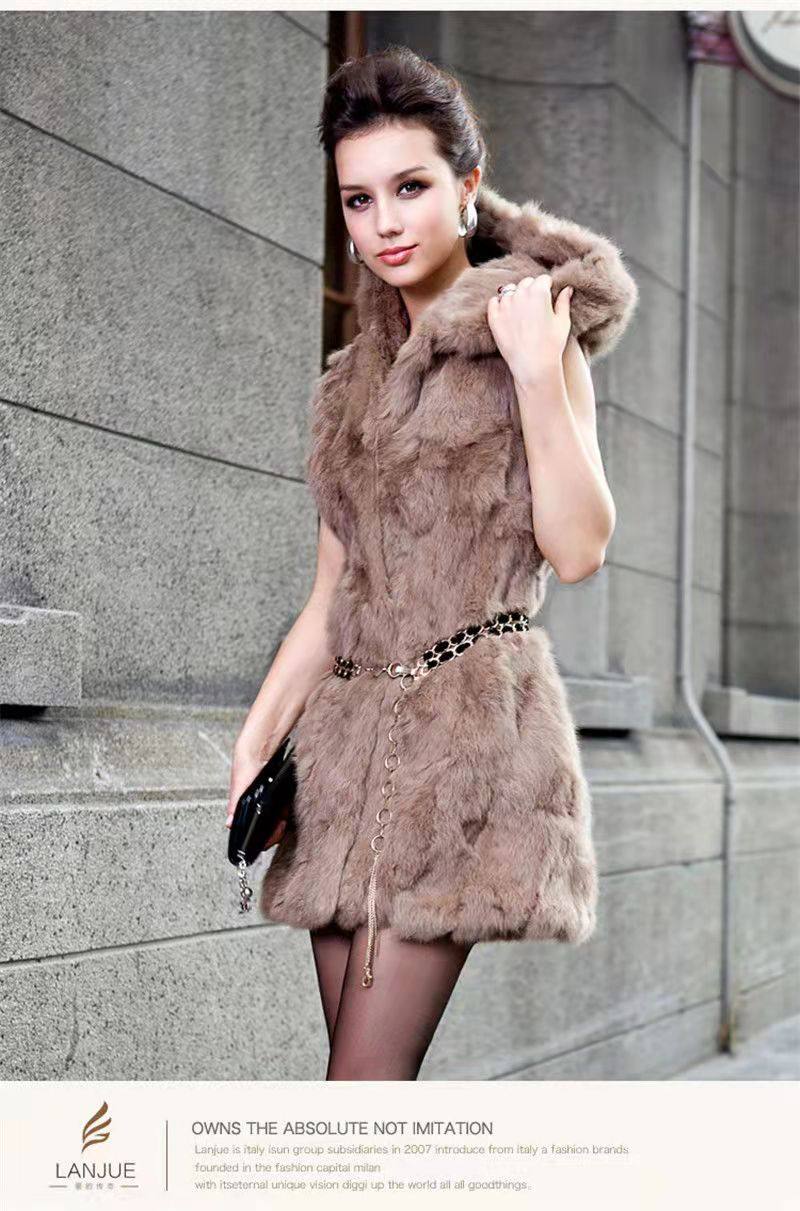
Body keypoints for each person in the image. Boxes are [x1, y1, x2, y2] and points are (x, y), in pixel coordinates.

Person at [225, 46, 638, 1081]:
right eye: (358, 200)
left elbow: (579, 548)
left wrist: (536, 376)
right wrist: (256, 739)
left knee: (360, 1089)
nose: (385, 223)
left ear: (466, 184)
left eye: (409, 187)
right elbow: (332, 595)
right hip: (345, 753)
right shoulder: (348, 383)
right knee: (362, 1109)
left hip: (467, 742)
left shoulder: (537, 334)